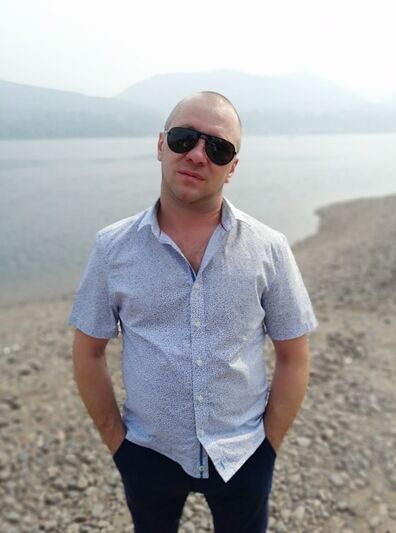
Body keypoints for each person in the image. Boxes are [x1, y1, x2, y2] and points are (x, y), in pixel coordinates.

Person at [70, 91, 318, 533]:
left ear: (232, 167)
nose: (198, 155)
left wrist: (269, 445)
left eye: (218, 148)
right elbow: (88, 351)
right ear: (161, 144)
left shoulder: (269, 249)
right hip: (148, 452)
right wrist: (118, 443)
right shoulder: (113, 249)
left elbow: (293, 355)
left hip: (243, 453)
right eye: (184, 138)